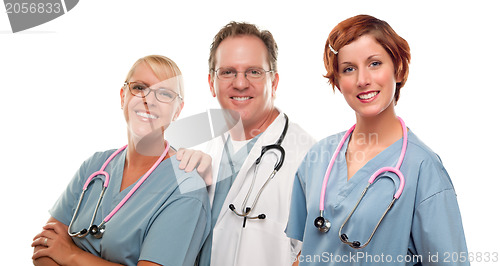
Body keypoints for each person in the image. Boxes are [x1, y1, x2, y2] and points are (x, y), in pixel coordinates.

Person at [286, 15, 469, 265]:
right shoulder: (319, 157)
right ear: (338, 82)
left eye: (374, 63)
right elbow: (304, 253)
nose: (362, 80)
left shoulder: (423, 169)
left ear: (399, 68)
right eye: (349, 69)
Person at [31, 55, 211, 266]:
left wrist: (71, 255)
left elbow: (58, 251)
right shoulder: (95, 166)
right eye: (139, 87)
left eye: (164, 93)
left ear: (178, 110)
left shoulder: (186, 189)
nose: (149, 100)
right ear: (123, 96)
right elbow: (43, 249)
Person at [177, 21, 315, 266]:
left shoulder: (309, 156)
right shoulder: (198, 147)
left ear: (274, 82)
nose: (240, 83)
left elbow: (317, 252)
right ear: (211, 83)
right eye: (228, 72)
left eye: (254, 71)